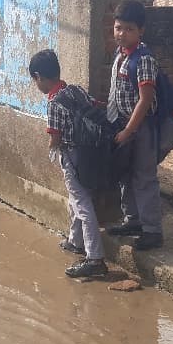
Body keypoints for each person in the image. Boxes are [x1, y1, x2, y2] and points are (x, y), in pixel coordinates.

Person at [30, 49, 108, 278]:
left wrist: (51, 150)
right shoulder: (74, 90)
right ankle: (75, 241)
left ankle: (95, 258)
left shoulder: (54, 103)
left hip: (73, 156)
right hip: (93, 153)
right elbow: (97, 104)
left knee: (82, 203)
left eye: (35, 81)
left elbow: (54, 137)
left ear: (39, 77)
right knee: (78, 198)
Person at [105, 0, 166, 250]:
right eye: (118, 28)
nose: (122, 33)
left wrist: (130, 130)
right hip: (123, 125)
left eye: (129, 29)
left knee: (144, 177)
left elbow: (146, 98)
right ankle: (133, 220)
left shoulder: (144, 59)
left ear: (141, 31)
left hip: (141, 128)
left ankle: (153, 230)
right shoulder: (120, 56)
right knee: (126, 175)